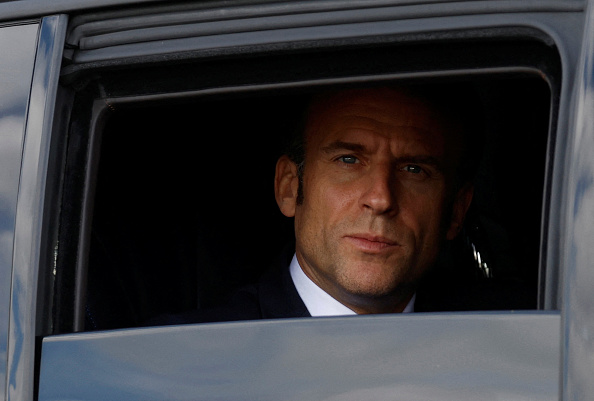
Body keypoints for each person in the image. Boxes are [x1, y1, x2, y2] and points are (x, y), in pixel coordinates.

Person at [150, 85, 534, 326]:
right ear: (289, 187)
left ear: (456, 211)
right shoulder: (186, 357)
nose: (381, 199)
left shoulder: (522, 332)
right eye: (348, 161)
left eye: (414, 169)